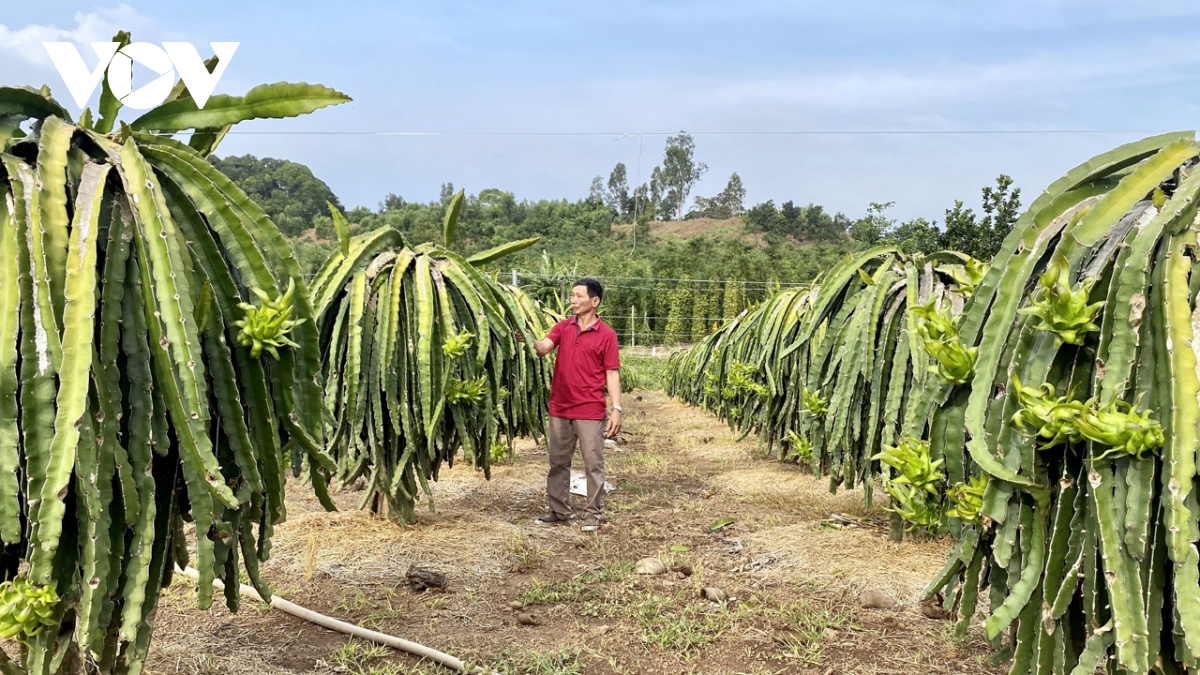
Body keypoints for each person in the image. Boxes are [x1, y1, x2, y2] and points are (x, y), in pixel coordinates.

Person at [518, 278, 621, 532]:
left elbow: (612, 373)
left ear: (594, 301)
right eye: (572, 296)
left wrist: (617, 409)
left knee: (593, 464)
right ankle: (559, 510)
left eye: (578, 296)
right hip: (560, 408)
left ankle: (592, 514)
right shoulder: (563, 327)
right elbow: (543, 348)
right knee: (558, 461)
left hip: (589, 409)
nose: (573, 300)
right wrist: (528, 339)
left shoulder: (607, 335)